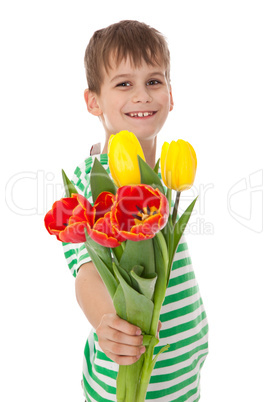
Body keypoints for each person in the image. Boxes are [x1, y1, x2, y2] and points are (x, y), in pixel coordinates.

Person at [62, 20, 208, 401]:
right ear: (93, 101)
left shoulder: (164, 174)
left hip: (181, 374)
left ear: (171, 95)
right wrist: (106, 322)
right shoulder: (90, 179)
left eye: (154, 82)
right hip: (126, 381)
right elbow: (87, 271)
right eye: (124, 83)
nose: (142, 95)